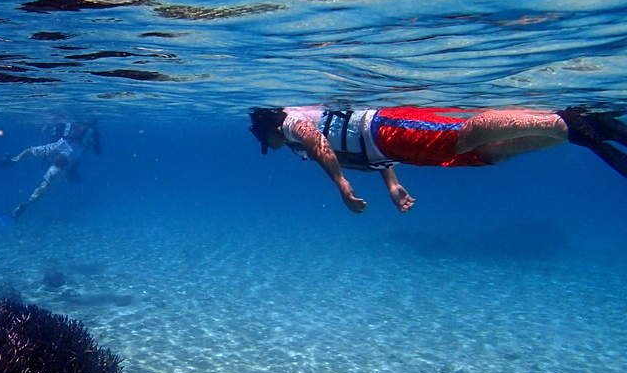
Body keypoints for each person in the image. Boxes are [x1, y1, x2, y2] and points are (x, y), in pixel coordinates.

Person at [248, 105, 627, 213]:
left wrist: (342, 186)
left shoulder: (288, 123)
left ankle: (560, 120)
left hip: (384, 128)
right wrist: (392, 183)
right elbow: (357, 152)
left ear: (266, 129)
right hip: (388, 147)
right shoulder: (291, 140)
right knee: (484, 155)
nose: (273, 145)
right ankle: (570, 131)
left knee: (459, 137)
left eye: (267, 141)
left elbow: (321, 143)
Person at [0, 120, 99, 220]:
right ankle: (26, 204)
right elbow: (96, 150)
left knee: (32, 154)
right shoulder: (90, 131)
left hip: (63, 146)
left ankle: (14, 161)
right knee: (45, 185)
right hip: (67, 151)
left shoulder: (81, 130)